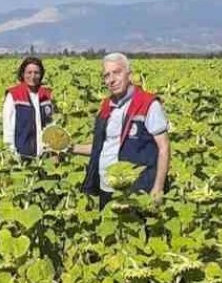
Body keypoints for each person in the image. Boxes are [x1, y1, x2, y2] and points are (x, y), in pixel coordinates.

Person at [71, 53, 170, 208]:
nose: (111, 79)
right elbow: (101, 147)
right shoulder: (106, 106)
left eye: (117, 72)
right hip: (107, 186)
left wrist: (158, 188)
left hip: (137, 188)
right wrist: (70, 148)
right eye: (107, 75)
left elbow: (163, 148)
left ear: (129, 74)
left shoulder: (148, 104)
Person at [1, 56, 56, 158]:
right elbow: (8, 128)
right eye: (29, 72)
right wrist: (11, 153)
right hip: (21, 155)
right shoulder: (14, 95)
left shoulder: (46, 95)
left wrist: (54, 151)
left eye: (36, 73)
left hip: (44, 155)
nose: (33, 76)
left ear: (41, 74)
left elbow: (52, 125)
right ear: (23, 74)